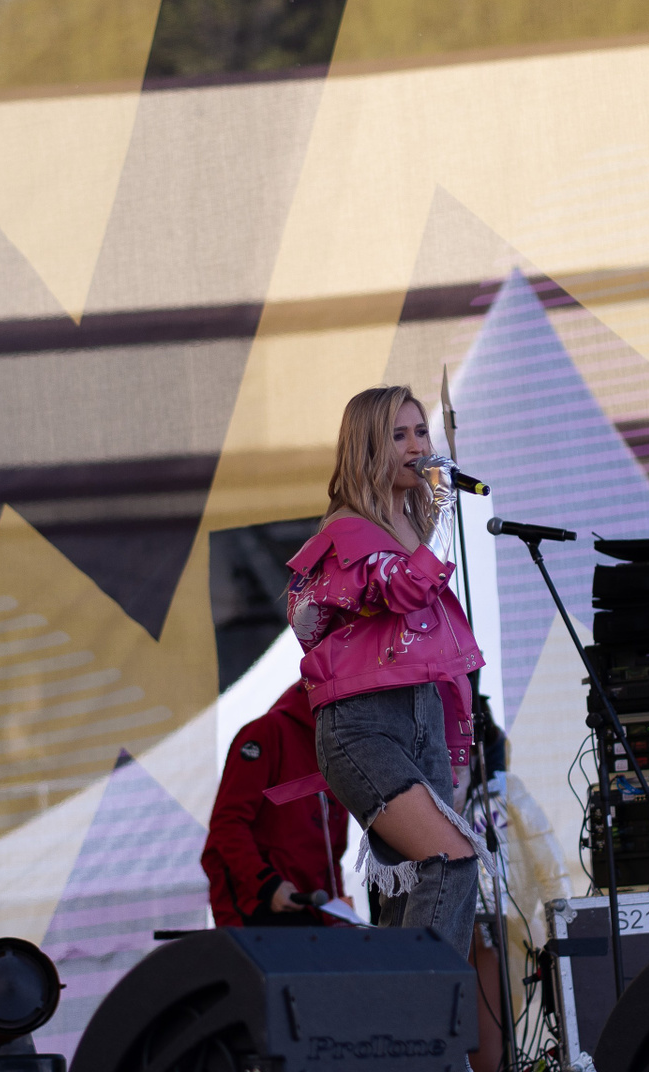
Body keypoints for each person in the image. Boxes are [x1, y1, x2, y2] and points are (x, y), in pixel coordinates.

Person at [282, 385, 489, 959]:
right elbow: (404, 590)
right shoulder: (346, 534)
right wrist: (444, 507)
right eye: (398, 436)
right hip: (364, 726)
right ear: (367, 447)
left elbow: (434, 650)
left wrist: (456, 743)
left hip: (421, 716)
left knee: (414, 886)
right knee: (451, 860)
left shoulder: (412, 528)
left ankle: (401, 1010)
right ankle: (428, 1007)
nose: (416, 447)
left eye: (421, 432)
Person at [202, 681, 350, 926]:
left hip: (310, 910)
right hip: (258, 904)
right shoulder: (267, 732)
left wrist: (338, 915)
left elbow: (332, 854)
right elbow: (227, 824)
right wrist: (266, 884)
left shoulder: (341, 754)